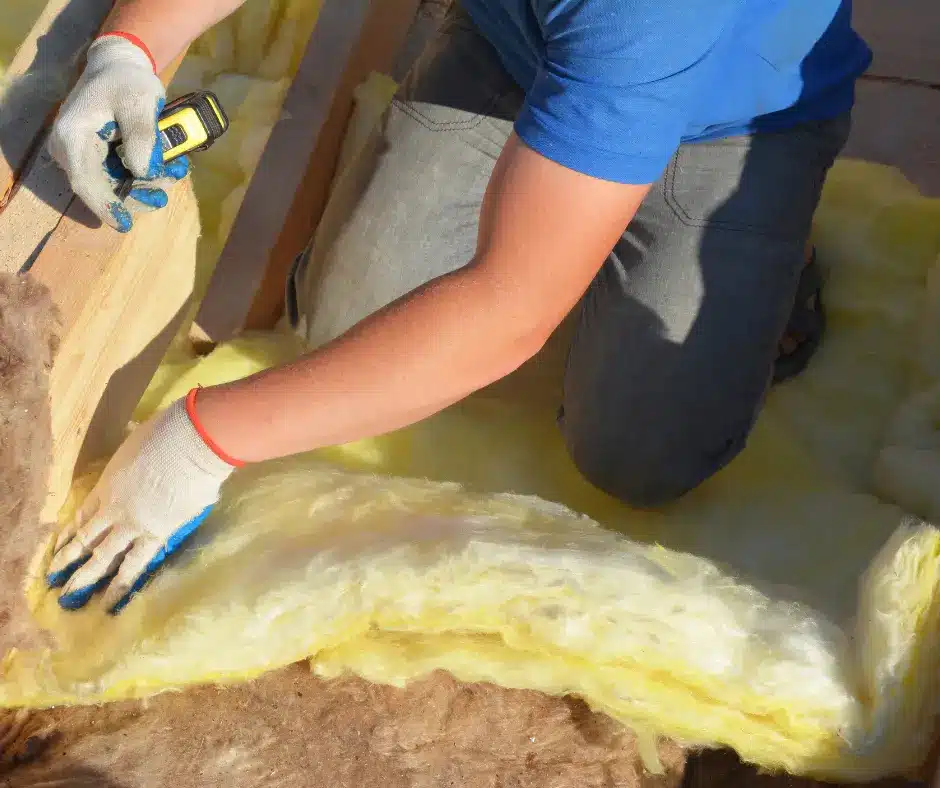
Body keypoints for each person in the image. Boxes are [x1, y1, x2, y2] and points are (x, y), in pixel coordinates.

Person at [45, 0, 872, 612]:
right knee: (346, 333)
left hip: (731, 116)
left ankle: (766, 248)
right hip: (520, 46)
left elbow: (509, 313)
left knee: (644, 455)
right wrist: (132, 48)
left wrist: (199, 441)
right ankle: (563, 178)